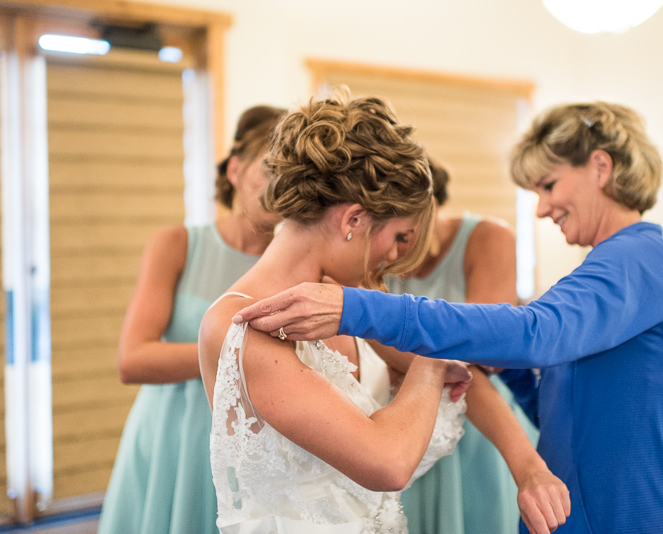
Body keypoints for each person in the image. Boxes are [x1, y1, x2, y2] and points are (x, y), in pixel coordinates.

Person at [232, 101, 663, 534]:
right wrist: (507, 368)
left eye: (549, 185)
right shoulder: (606, 267)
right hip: (563, 516)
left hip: (626, 518)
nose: (541, 209)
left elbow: (541, 332)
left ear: (601, 166)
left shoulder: (647, 259)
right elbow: (564, 415)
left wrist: (359, 308)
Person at [198, 91, 569, 534]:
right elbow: (387, 462)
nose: (393, 259)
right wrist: (431, 361)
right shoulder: (238, 327)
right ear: (353, 220)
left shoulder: (348, 298)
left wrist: (527, 466)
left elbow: (469, 381)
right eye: (397, 238)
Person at [98, 105, 286, 534]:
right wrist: (241, 353)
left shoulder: (297, 267)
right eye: (268, 169)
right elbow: (134, 359)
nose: (278, 186)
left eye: (292, 175)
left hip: (255, 438)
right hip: (175, 434)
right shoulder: (178, 244)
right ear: (235, 170)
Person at [387, 157, 538, 534]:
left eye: (405, 233)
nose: (394, 252)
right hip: (404, 423)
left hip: (478, 421)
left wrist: (401, 356)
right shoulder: (375, 253)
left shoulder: (489, 238)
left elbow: (481, 349)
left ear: (431, 206)